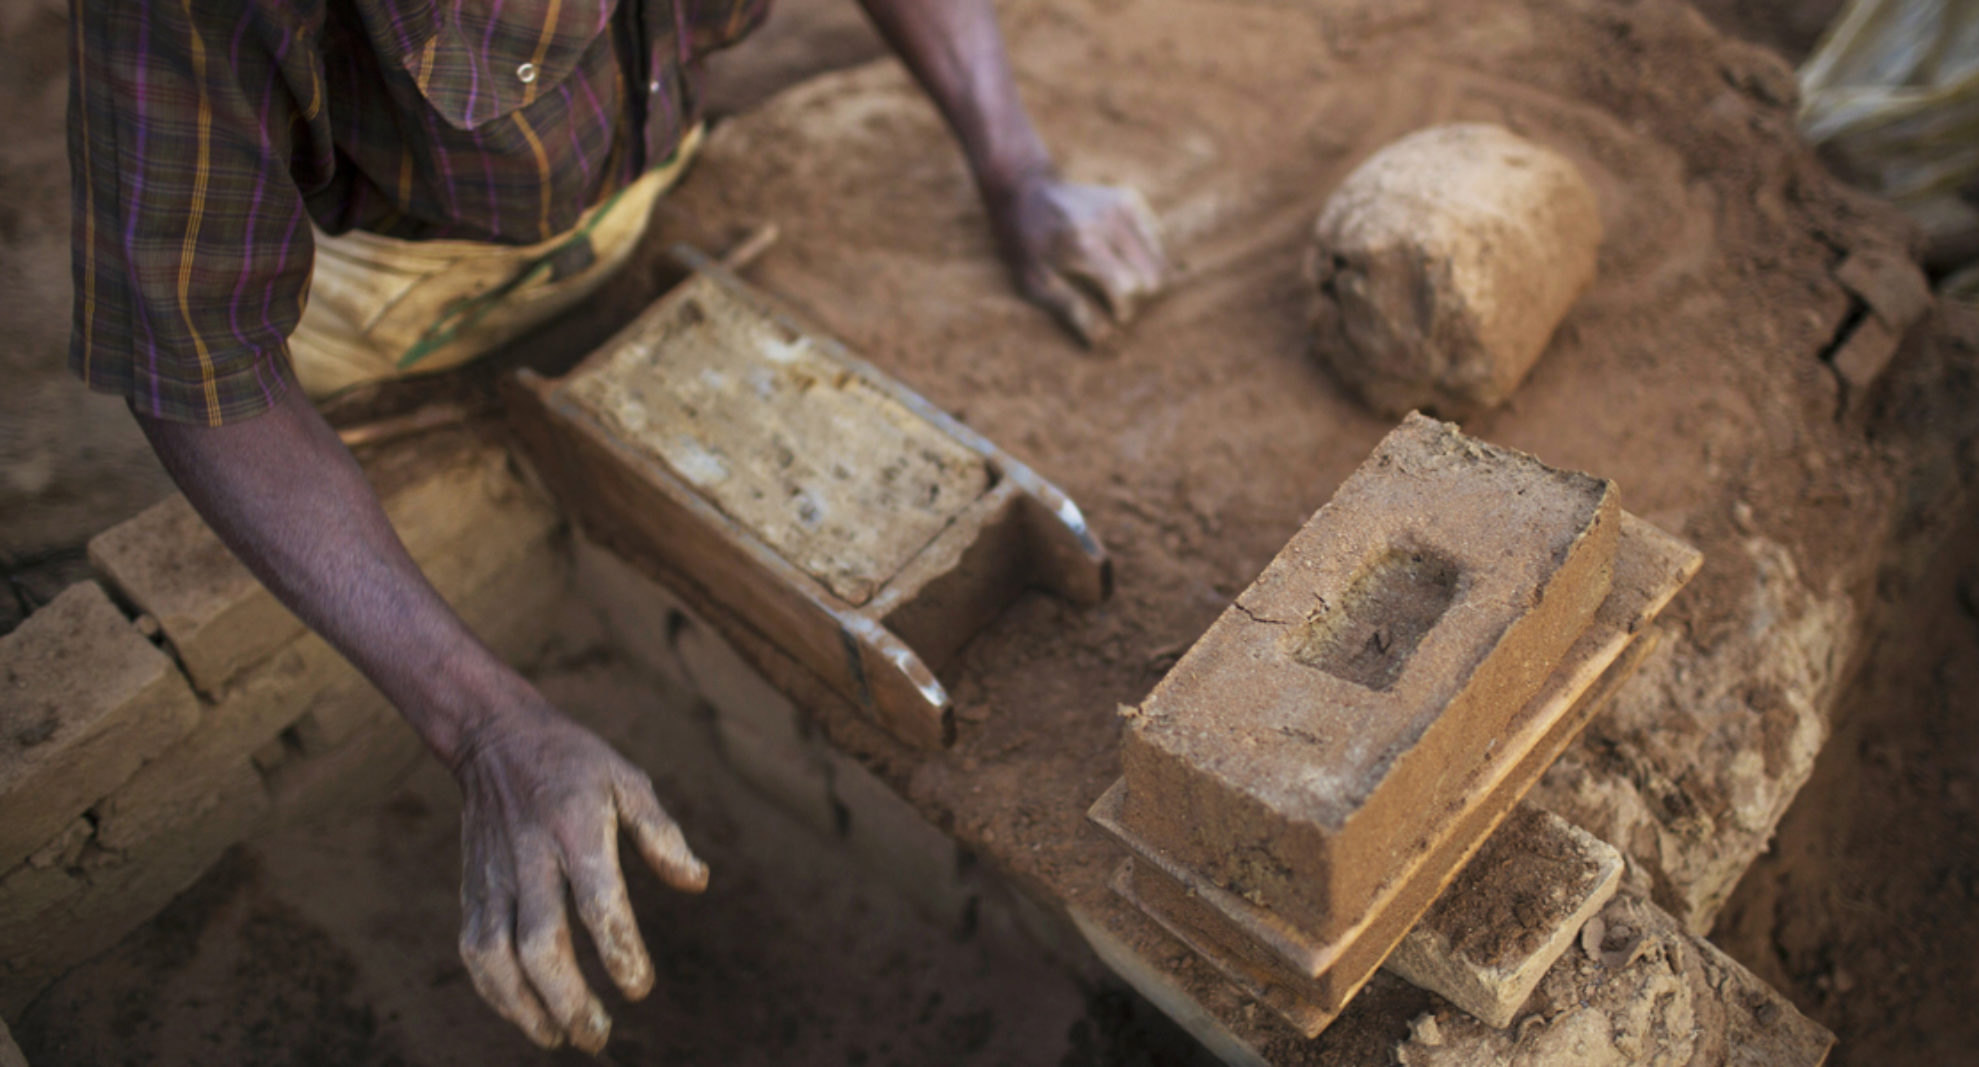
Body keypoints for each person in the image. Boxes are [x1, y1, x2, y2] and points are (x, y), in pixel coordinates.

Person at [67, 0, 1167, 1052]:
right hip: (391, 290)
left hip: (641, 171)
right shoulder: (193, 13)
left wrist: (1015, 165)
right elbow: (201, 364)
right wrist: (487, 723)